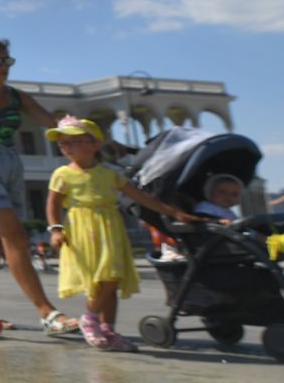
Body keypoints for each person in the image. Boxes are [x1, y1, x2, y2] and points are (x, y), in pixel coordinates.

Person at [0, 39, 82, 335]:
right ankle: (47, 313)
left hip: (11, 162)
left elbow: (52, 124)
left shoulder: (17, 97)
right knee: (17, 238)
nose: (3, 68)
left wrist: (83, 137)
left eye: (7, 61)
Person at [45, 116, 201, 351]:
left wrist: (174, 213)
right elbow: (53, 204)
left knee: (112, 278)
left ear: (95, 144)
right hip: (82, 230)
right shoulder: (62, 174)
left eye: (74, 142)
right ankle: (91, 319)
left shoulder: (110, 175)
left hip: (109, 228)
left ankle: (107, 329)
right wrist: (56, 229)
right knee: (101, 281)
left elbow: (142, 198)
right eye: (63, 144)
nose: (67, 148)